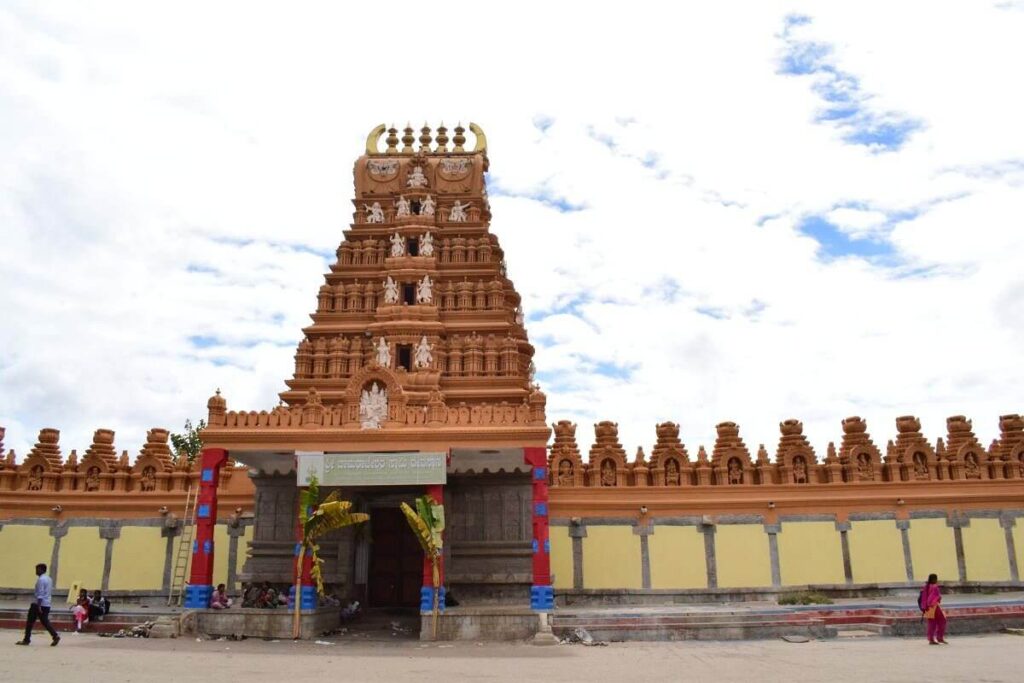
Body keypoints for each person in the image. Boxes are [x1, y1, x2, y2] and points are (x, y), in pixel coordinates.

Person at [16, 563, 60, 646]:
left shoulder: (41, 580)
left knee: (30, 622)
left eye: (37, 569)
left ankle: (26, 639)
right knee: (45, 622)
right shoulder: (49, 579)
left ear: (42, 570)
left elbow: (40, 594)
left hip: (38, 604)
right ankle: (55, 636)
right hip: (47, 603)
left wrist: (38, 606)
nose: (36, 571)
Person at [923, 573, 948, 645]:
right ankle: (940, 637)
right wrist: (938, 599)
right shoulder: (935, 587)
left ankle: (931, 639)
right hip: (933, 606)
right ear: (934, 579)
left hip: (926, 607)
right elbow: (936, 596)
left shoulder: (926, 587)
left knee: (931, 623)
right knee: (942, 620)